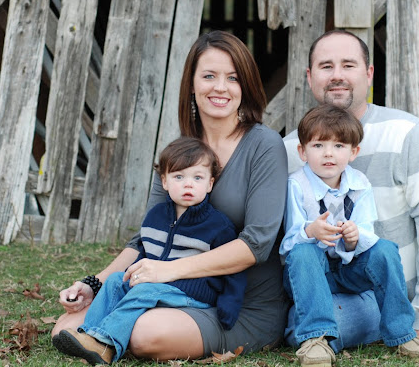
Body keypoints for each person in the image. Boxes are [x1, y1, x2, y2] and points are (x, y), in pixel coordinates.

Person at [52, 30, 289, 360]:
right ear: (192, 84)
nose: (220, 87)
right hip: (168, 289)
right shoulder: (179, 153)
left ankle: (118, 334)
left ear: (244, 86)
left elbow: (257, 244)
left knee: (146, 334)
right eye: (209, 76)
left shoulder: (264, 146)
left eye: (233, 78)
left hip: (238, 305)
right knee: (64, 327)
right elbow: (144, 241)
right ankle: (113, 332)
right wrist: (95, 283)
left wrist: (168, 270)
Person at [283, 29, 419, 357]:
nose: (337, 76)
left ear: (368, 73)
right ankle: (315, 329)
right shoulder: (291, 150)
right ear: (309, 77)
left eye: (348, 65)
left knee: (376, 262)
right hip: (313, 286)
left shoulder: (409, 135)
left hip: (378, 289)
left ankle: (395, 328)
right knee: (307, 310)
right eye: (325, 66)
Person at [54, 137, 246, 364]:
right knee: (116, 280)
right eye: (178, 177)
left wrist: (228, 307)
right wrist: (128, 276)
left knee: (145, 290)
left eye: (197, 177)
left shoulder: (217, 225)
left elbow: (234, 269)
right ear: (164, 182)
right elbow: (146, 253)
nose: (188, 184)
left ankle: (105, 344)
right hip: (156, 285)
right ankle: (87, 335)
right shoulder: (155, 217)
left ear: (210, 184)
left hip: (194, 293)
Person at [281, 105, 419, 365]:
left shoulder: (360, 184)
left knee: (385, 249)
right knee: (304, 251)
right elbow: (288, 244)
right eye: (318, 145)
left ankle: (401, 333)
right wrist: (311, 231)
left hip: (348, 270)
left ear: (354, 152)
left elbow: (367, 233)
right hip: (310, 272)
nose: (328, 153)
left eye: (339, 146)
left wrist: (354, 237)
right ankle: (316, 338)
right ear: (302, 151)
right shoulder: (297, 185)